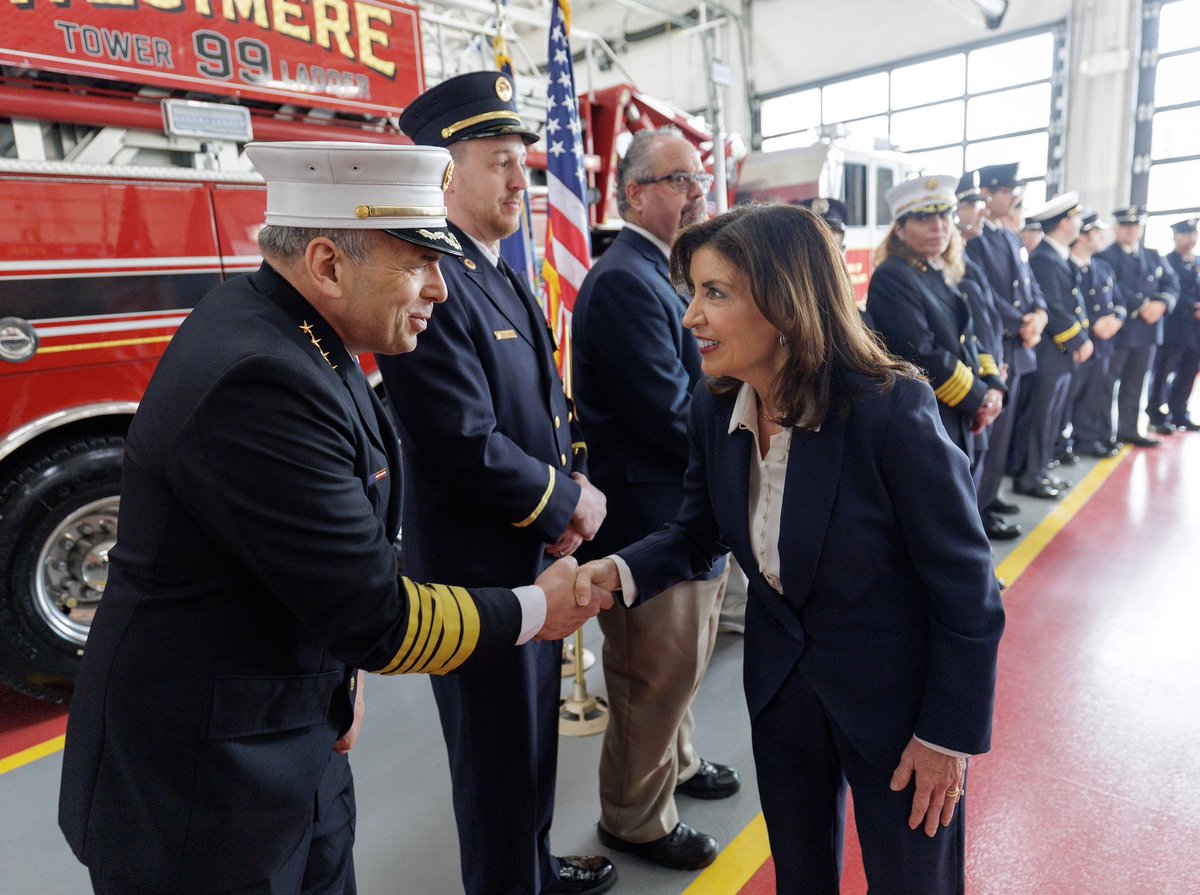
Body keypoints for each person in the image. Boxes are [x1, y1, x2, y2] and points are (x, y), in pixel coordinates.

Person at [57, 141, 609, 895]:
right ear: (326, 264)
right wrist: (535, 609)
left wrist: (335, 688)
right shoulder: (260, 377)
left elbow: (314, 561)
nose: (440, 292)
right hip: (203, 793)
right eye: (419, 263)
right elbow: (375, 611)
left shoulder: (295, 334)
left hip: (286, 734)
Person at [576, 203, 1005, 894]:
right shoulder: (715, 406)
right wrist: (616, 571)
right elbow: (696, 531)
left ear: (785, 300)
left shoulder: (889, 410)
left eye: (714, 293)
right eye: (693, 293)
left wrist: (946, 736)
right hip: (782, 697)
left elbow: (968, 591)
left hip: (897, 715)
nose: (691, 317)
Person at [376, 72, 614, 895]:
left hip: (531, 554)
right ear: (445, 171)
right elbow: (459, 439)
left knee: (531, 741)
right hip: (476, 571)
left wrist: (569, 483)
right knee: (495, 757)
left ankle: (533, 866)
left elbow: (544, 407)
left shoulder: (499, 271)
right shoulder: (433, 280)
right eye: (502, 161)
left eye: (524, 161)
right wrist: (564, 502)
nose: (523, 179)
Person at [572, 128, 736, 873]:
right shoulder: (623, 282)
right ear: (635, 192)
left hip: (682, 507)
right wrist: (741, 442)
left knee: (683, 662)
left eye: (698, 180)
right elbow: (669, 412)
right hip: (653, 517)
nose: (696, 193)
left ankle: (681, 759)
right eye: (680, 180)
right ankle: (635, 816)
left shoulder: (662, 273)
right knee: (649, 672)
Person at [867, 174, 1006, 466]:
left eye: (944, 215)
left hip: (956, 408)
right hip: (929, 415)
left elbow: (968, 338)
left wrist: (992, 385)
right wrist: (979, 399)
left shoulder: (937, 270)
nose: (938, 225)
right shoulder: (894, 275)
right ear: (901, 230)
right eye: (922, 218)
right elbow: (921, 353)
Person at [966, 162, 1048, 515]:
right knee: (989, 432)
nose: (1013, 196)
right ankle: (978, 510)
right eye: (1005, 190)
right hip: (999, 341)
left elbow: (1030, 285)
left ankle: (990, 494)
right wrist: (1021, 324)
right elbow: (985, 295)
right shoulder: (976, 240)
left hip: (1019, 345)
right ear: (986, 193)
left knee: (1006, 430)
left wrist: (1040, 315)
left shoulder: (1011, 237)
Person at [956, 171, 1020, 540]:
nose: (980, 213)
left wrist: (994, 372)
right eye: (972, 206)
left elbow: (987, 324)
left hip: (986, 374)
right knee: (966, 473)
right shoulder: (951, 267)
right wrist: (982, 389)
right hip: (967, 388)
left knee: (981, 463)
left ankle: (980, 523)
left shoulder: (968, 262)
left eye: (980, 205)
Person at [1015, 193, 1092, 498]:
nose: (1079, 224)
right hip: (1050, 352)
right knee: (1040, 417)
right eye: (1075, 218)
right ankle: (1029, 476)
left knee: (1053, 417)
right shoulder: (1045, 258)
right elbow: (1054, 307)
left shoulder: (1056, 255)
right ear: (1063, 223)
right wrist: (1077, 339)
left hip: (1059, 354)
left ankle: (1041, 470)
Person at [1097, 206, 1180, 447]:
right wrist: (1143, 305)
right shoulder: (1105, 256)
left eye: (1136, 225)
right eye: (1126, 225)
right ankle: (1102, 434)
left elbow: (1171, 283)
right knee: (1107, 384)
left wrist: (1162, 303)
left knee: (1135, 384)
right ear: (1116, 228)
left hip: (1149, 331)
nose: (1131, 230)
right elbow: (1110, 290)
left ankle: (1128, 430)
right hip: (1120, 330)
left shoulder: (1153, 255)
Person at [1065, 211, 1126, 458]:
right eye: (1097, 233)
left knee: (1095, 395)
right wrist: (1090, 329)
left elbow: (1119, 301)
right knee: (1068, 398)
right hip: (1078, 343)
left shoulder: (1102, 266)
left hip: (1103, 344)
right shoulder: (1066, 266)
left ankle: (1086, 440)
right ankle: (1059, 446)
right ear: (1081, 236)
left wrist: (1117, 319)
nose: (1103, 237)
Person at [1146, 218, 1200, 432]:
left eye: (1193, 235)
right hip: (1174, 328)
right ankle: (1156, 414)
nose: (1190, 239)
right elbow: (1169, 291)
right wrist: (1193, 308)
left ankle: (1179, 412)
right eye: (1185, 235)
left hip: (1195, 332)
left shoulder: (1197, 262)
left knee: (1188, 372)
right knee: (1162, 372)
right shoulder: (1167, 261)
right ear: (1176, 237)